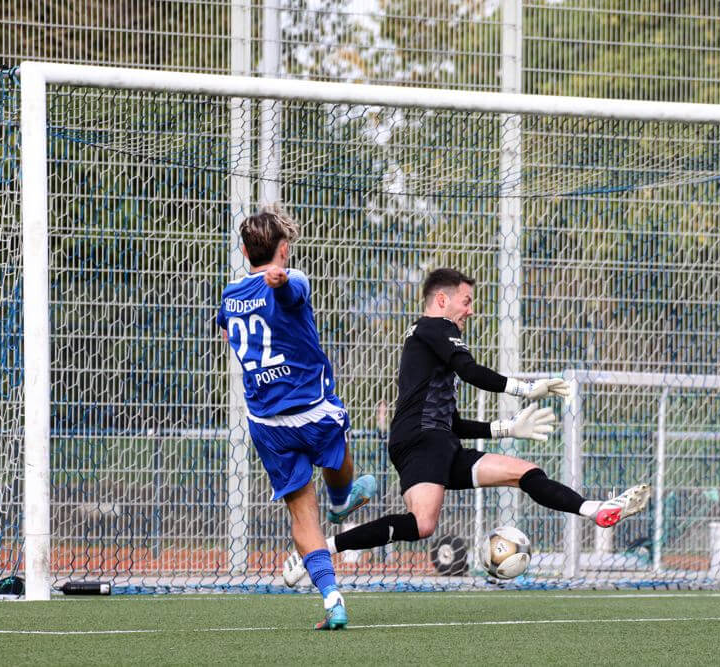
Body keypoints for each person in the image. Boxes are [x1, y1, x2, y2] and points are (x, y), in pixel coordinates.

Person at [283, 268, 649, 586]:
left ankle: (596, 510)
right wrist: (525, 387)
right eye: (467, 301)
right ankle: (320, 550)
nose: (470, 310)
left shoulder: (431, 342)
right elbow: (470, 371)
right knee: (423, 525)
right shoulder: (433, 328)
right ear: (441, 300)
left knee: (525, 472)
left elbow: (451, 421)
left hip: (439, 441)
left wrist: (507, 429)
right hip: (420, 442)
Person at [217, 205, 376, 630]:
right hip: (312, 411)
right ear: (284, 249)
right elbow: (291, 294)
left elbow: (228, 328)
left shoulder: (231, 295)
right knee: (339, 453)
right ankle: (342, 501)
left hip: (267, 424)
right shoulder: (295, 279)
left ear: (245, 251)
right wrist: (281, 284)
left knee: (302, 514)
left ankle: (332, 599)